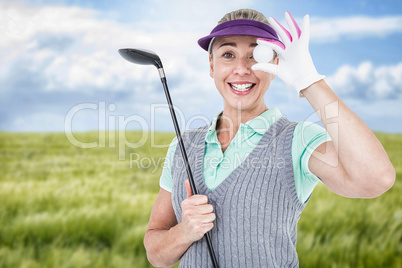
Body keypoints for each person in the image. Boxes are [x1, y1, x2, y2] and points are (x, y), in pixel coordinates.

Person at [143, 9, 395, 268]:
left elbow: (377, 178)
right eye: (228, 54)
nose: (242, 69)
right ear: (212, 66)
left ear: (275, 65)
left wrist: (308, 81)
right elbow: (156, 253)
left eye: (256, 55)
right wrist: (184, 231)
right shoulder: (183, 145)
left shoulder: (298, 139)